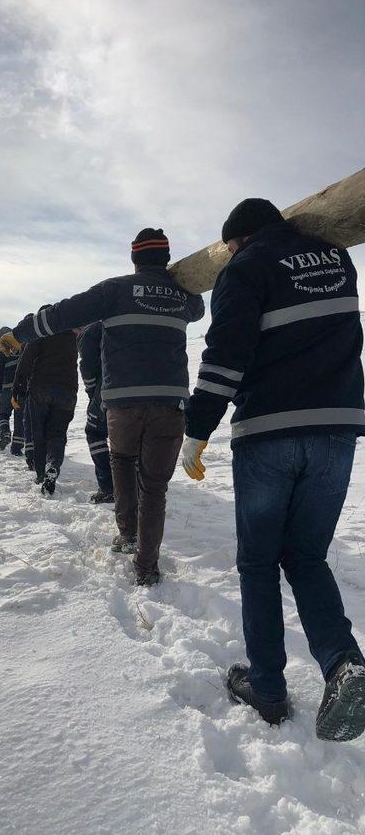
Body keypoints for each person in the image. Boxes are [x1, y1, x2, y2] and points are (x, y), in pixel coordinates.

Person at [181, 198, 365, 740]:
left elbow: (225, 353)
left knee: (259, 562)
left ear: (237, 241)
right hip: (337, 429)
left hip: (269, 432)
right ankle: (343, 665)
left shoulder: (246, 267)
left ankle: (267, 687)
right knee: (306, 556)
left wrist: (197, 429)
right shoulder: (336, 258)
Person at [0, 229, 204, 583]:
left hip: (122, 402)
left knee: (122, 462)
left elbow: (62, 314)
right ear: (166, 258)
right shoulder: (185, 297)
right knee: (155, 487)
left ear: (134, 259)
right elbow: (199, 310)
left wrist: (19, 333)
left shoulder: (115, 291)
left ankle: (127, 534)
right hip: (170, 403)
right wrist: (171, 281)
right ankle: (147, 567)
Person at [11, 308, 78, 496]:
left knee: (38, 433)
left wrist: (18, 388)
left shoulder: (40, 335)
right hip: (67, 392)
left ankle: (41, 474)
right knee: (57, 434)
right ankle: (53, 466)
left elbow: (25, 361)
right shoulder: (71, 337)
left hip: (41, 389)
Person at [77, 322, 114, 503]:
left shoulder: (92, 330)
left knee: (94, 432)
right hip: (152, 388)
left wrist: (92, 392)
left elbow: (87, 365)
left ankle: (108, 487)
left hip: (108, 387)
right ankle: (140, 486)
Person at [0, 328, 25, 454]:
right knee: (20, 417)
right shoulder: (23, 348)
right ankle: (18, 447)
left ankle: (5, 433)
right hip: (21, 389)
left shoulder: (4, 352)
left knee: (2, 413)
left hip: (7, 388)